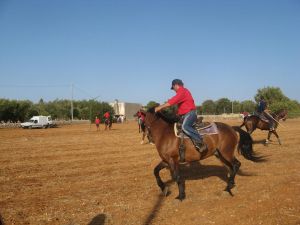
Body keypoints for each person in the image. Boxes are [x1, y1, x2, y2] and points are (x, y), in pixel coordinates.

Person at [155, 79, 207, 153]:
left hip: (190, 114)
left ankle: (200, 142)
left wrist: (159, 107)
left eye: (173, 88)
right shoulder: (182, 92)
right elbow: (180, 109)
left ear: (176, 85)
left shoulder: (183, 91)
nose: (174, 90)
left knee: (185, 127)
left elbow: (173, 101)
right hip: (185, 115)